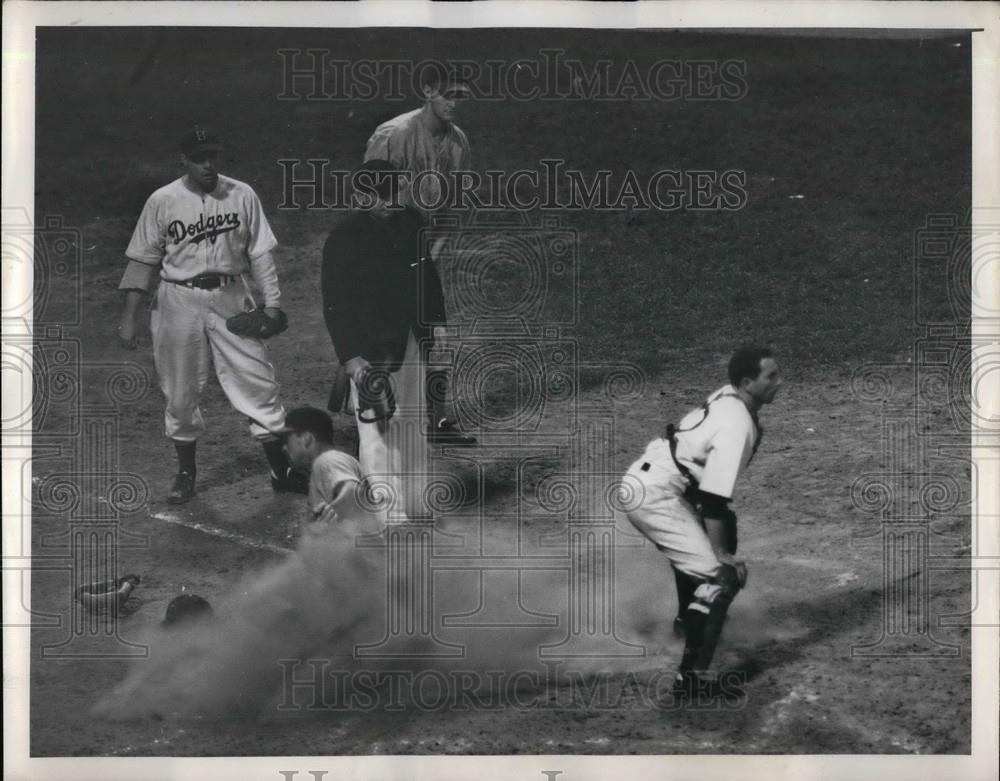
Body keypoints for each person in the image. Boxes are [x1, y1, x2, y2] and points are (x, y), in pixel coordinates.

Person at [117, 126, 305, 504]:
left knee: (257, 381)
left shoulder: (241, 193)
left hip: (231, 295)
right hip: (177, 300)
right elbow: (142, 261)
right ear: (183, 160)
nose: (208, 164)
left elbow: (261, 255)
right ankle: (186, 473)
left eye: (213, 156)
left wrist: (272, 304)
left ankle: (281, 471)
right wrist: (130, 316)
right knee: (180, 391)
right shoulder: (162, 200)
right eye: (200, 157)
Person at [622, 345, 782, 699]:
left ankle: (687, 622)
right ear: (746, 382)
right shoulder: (738, 424)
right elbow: (712, 498)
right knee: (720, 575)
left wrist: (721, 541)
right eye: (771, 376)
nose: (779, 383)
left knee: (723, 530)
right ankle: (690, 683)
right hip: (657, 495)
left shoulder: (729, 398)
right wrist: (722, 554)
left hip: (657, 480)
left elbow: (710, 498)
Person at [321, 160, 449, 519]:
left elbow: (427, 276)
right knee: (376, 432)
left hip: (412, 337)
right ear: (362, 196)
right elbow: (335, 306)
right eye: (382, 196)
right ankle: (387, 516)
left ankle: (417, 502)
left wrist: (438, 324)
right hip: (371, 348)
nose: (390, 202)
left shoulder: (410, 222)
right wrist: (350, 357)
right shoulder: (343, 239)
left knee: (413, 419)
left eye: (393, 193)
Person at [363, 63, 475, 445]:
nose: (455, 103)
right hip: (384, 250)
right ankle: (374, 418)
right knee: (382, 336)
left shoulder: (458, 141)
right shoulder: (393, 135)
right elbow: (367, 200)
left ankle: (438, 422)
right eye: (448, 94)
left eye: (462, 95)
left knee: (436, 336)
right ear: (428, 91)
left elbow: (451, 207)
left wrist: (432, 253)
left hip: (424, 251)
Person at [279, 406, 381, 535]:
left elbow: (353, 489)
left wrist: (338, 506)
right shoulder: (332, 461)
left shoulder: (327, 460)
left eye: (287, 440)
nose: (284, 447)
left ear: (306, 438)